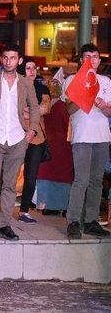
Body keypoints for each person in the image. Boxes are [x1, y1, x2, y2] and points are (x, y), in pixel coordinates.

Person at [0, 45, 40, 244]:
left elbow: (34, 107)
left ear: (19, 61)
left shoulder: (26, 83)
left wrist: (32, 131)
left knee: (10, 186)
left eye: (13, 58)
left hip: (17, 139)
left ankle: (4, 225)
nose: (9, 61)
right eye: (5, 57)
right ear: (1, 60)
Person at [63, 43, 111, 238]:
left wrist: (102, 106)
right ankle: (73, 221)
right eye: (87, 56)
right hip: (82, 136)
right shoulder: (72, 80)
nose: (92, 60)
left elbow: (109, 111)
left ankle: (91, 220)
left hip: (102, 136)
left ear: (99, 60)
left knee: (96, 181)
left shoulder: (106, 81)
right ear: (81, 60)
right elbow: (69, 110)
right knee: (81, 179)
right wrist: (84, 97)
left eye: (95, 56)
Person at [17, 58, 51, 223]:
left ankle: (24, 211)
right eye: (28, 68)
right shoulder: (15, 87)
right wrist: (35, 111)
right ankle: (4, 211)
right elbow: (13, 110)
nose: (31, 71)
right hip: (15, 134)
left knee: (31, 176)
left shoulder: (42, 87)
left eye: (34, 68)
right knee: (9, 175)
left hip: (36, 137)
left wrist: (28, 111)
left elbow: (46, 108)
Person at [36, 79, 73, 214]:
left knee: (46, 175)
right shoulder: (62, 107)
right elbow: (69, 126)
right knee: (61, 177)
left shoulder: (44, 105)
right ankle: (59, 207)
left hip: (46, 144)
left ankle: (45, 205)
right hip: (62, 147)